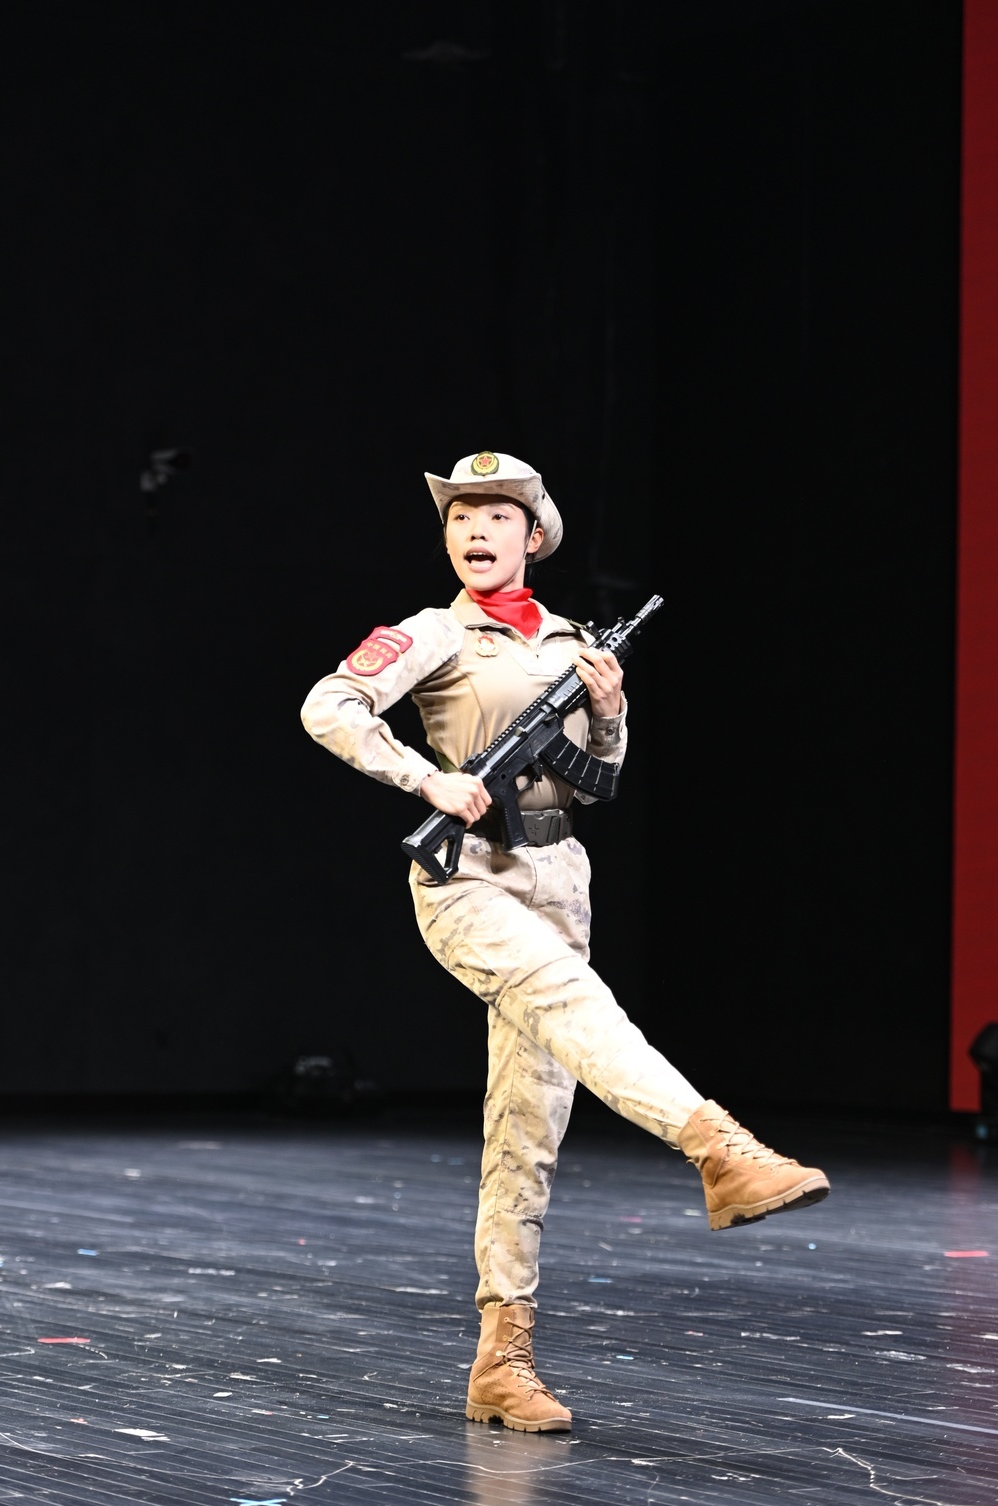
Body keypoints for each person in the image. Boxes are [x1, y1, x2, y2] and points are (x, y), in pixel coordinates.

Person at [300, 451, 829, 1434]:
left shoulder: (572, 644)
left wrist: (611, 711)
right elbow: (328, 705)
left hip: (557, 874)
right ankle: (719, 1147)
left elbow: (596, 780)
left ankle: (503, 1358)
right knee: (576, 1003)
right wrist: (426, 778)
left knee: (528, 1126)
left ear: (535, 535)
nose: (476, 529)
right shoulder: (432, 633)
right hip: (468, 876)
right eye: (461, 516)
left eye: (497, 515)